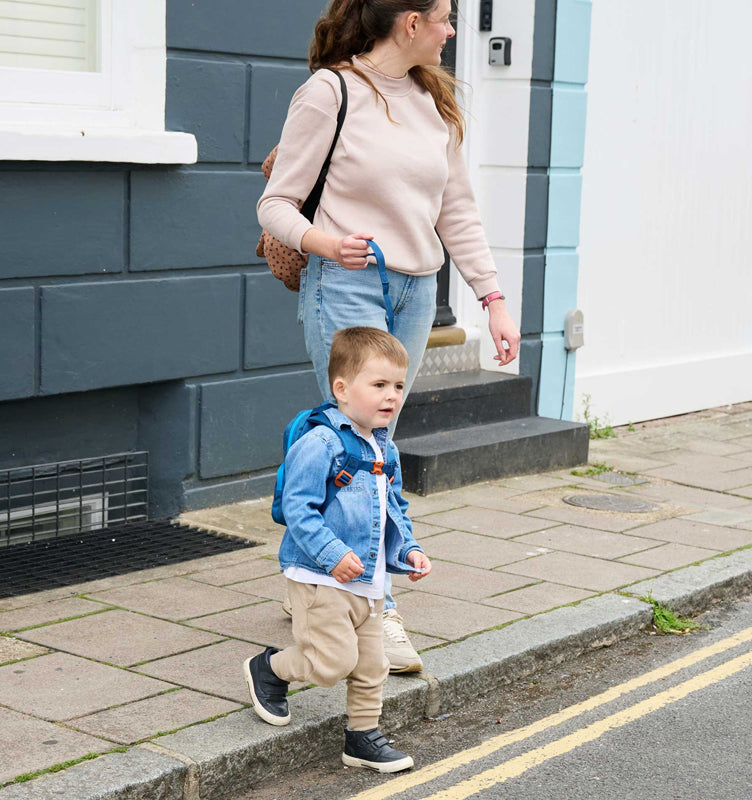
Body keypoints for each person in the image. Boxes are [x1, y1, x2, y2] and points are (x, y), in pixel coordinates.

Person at [257, 0, 520, 672]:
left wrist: (492, 298)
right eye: (445, 17)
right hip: (345, 282)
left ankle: (307, 564)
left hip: (413, 288)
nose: (453, 31)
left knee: (368, 443)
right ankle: (381, 610)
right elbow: (275, 204)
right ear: (409, 22)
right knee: (363, 448)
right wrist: (325, 243)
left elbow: (456, 209)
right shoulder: (331, 92)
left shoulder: (433, 103)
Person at [243, 327, 432, 773]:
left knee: (372, 665)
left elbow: (393, 509)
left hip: (368, 581)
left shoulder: (388, 447)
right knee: (332, 663)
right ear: (342, 389)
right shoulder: (321, 443)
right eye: (379, 385)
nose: (392, 396)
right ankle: (270, 669)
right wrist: (331, 553)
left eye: (399, 386)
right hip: (320, 577)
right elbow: (298, 506)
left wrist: (408, 550)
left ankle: (362, 738)